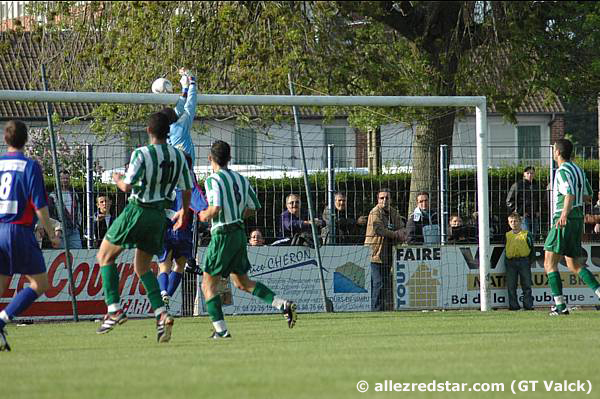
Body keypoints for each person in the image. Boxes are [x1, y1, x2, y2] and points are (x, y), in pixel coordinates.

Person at [95, 112, 193, 342]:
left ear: (149, 131)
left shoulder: (141, 153)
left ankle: (114, 309)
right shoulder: (178, 156)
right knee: (142, 268)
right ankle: (161, 314)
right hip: (159, 217)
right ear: (168, 132)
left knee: (105, 256)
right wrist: (184, 211)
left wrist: (117, 179)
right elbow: (187, 188)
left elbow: (127, 187)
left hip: (137, 210)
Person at [199, 140, 297, 338]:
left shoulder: (212, 180)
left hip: (223, 235)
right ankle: (283, 304)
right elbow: (254, 207)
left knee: (207, 285)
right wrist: (235, 214)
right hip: (238, 233)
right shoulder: (241, 179)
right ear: (230, 158)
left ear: (210, 158)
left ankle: (221, 331)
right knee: (242, 283)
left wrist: (204, 215)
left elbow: (215, 208)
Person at [0, 120, 61, 351]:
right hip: (18, 230)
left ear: (5, 139)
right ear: (26, 140)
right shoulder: (29, 166)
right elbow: (40, 207)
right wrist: (50, 233)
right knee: (40, 283)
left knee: (2, 283)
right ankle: (2, 320)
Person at [543, 139, 600, 316]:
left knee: (549, 263)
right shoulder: (578, 169)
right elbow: (588, 196)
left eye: (553, 150)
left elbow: (569, 194)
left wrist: (563, 215)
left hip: (564, 219)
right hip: (577, 219)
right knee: (574, 264)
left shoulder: (562, 171)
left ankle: (560, 306)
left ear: (558, 153)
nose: (553, 152)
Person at [157, 152, 207, 307]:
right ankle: (167, 297)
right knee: (179, 265)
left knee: (163, 266)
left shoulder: (162, 182)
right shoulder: (189, 185)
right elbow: (203, 207)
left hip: (163, 229)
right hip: (183, 230)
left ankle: (163, 292)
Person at [364, 188, 407, 311]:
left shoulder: (394, 212)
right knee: (377, 283)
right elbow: (379, 230)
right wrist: (396, 234)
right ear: (377, 200)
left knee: (385, 284)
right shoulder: (374, 213)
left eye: (387, 198)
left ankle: (382, 309)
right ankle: (375, 310)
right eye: (382, 198)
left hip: (388, 254)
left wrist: (402, 233)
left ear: (390, 199)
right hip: (374, 254)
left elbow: (401, 227)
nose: (384, 200)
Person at [159, 67, 197, 164]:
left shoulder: (164, 131)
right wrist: (192, 81)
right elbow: (190, 103)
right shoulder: (181, 126)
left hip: (173, 173)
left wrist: (185, 89)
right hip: (187, 173)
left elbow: (178, 110)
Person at [504, 212, 534, 311]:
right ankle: (513, 306)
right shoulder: (507, 235)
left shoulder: (526, 234)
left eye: (516, 221)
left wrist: (530, 261)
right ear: (508, 223)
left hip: (524, 261)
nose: (513, 223)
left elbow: (531, 248)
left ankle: (528, 305)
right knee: (511, 285)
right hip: (511, 262)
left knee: (526, 284)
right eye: (511, 221)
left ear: (520, 222)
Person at [49, 169, 83, 249]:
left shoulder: (75, 194)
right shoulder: (53, 196)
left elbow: (79, 211)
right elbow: (51, 214)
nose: (65, 180)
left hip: (74, 229)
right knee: (61, 254)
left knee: (78, 253)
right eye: (62, 178)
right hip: (60, 230)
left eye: (67, 178)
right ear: (58, 180)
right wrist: (56, 229)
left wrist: (78, 224)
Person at [506, 166, 541, 238]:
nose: (530, 175)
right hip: (523, 216)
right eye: (527, 173)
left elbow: (539, 199)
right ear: (524, 174)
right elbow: (509, 201)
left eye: (532, 173)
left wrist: (538, 210)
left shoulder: (536, 185)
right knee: (524, 236)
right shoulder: (518, 185)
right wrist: (519, 212)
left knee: (532, 237)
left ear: (534, 174)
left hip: (534, 215)